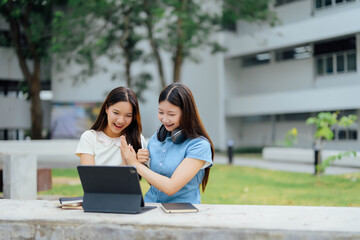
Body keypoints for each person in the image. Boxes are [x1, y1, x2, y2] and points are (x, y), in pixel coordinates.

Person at [120, 83, 214, 204]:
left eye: (171, 114)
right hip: (151, 207)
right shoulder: (156, 138)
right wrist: (141, 163)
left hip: (182, 213)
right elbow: (154, 182)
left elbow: (170, 187)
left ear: (186, 113)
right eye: (161, 112)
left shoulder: (199, 146)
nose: (164, 119)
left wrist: (135, 165)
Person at [76, 86, 149, 165]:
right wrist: (126, 164)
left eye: (128, 115)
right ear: (106, 108)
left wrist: (139, 163)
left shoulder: (138, 140)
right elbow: (88, 176)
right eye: (116, 113)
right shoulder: (89, 137)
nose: (121, 121)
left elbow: (137, 177)